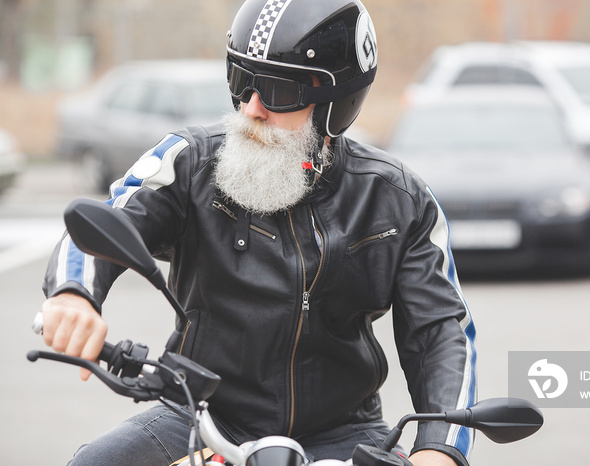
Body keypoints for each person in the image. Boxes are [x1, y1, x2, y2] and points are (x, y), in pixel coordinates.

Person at [40, 1, 477, 465]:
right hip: (199, 415)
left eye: (275, 89)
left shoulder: (398, 199)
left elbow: (440, 331)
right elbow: (111, 219)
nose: (251, 107)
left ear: (335, 103)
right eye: (242, 81)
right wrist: (74, 294)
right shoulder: (190, 163)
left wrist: (440, 448)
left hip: (342, 433)